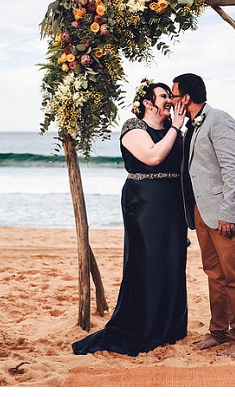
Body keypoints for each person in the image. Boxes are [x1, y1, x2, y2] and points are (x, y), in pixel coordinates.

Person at [72, 79, 189, 356]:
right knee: (146, 260)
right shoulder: (133, 127)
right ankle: (143, 324)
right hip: (144, 203)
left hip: (172, 204)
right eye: (164, 96)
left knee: (172, 260)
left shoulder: (177, 133)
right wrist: (176, 127)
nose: (169, 101)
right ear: (148, 103)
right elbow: (152, 157)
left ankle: (169, 326)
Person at [171, 73, 235, 359]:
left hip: (224, 213)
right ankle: (218, 331)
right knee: (214, 275)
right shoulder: (190, 126)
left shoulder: (219, 119)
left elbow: (233, 170)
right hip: (202, 212)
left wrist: (228, 213)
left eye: (173, 94)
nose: (171, 100)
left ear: (186, 98)